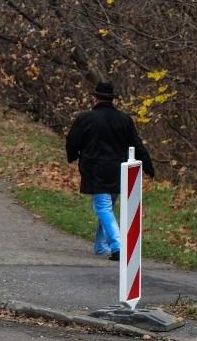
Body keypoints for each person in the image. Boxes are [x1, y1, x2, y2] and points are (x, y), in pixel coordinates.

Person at [66, 81, 155, 261]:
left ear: (95, 98)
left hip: (95, 169)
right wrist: (147, 164)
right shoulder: (124, 119)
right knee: (107, 208)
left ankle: (118, 245)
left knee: (103, 208)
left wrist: (73, 155)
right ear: (111, 99)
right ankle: (101, 246)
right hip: (118, 171)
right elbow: (136, 143)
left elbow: (72, 140)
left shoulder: (86, 118)